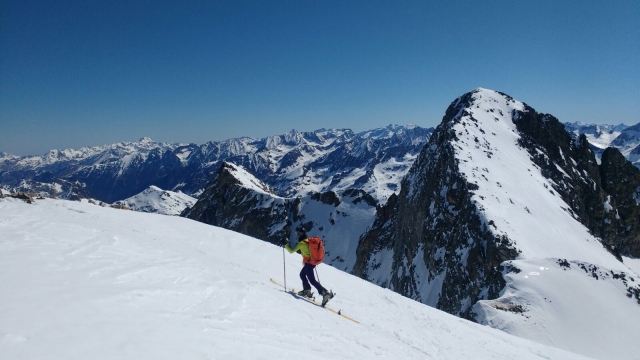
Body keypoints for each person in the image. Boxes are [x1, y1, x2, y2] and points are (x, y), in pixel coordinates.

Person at [284, 230, 334, 305]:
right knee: (302, 275)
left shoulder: (301, 243)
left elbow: (291, 251)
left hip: (309, 263)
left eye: (297, 234)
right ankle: (307, 290)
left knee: (312, 280)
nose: (297, 236)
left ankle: (325, 293)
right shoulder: (308, 241)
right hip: (313, 262)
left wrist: (286, 245)